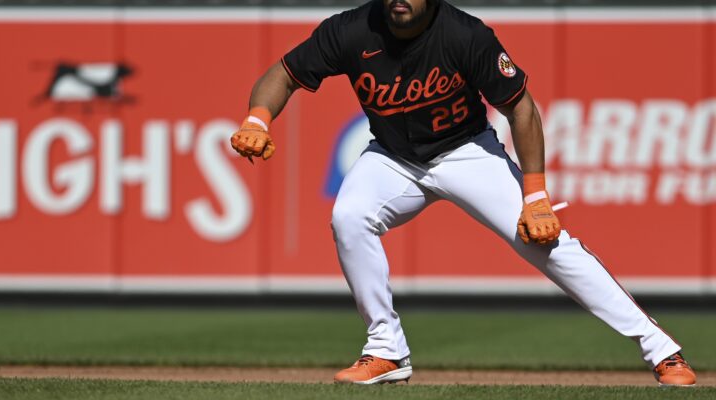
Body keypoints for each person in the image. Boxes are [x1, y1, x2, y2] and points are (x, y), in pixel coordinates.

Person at [229, 0, 696, 387]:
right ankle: (387, 349)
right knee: (349, 216)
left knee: (548, 244)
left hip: (466, 151)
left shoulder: (465, 35)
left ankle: (662, 351)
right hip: (393, 157)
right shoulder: (351, 30)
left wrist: (535, 196)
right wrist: (256, 118)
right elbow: (284, 73)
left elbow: (523, 111)